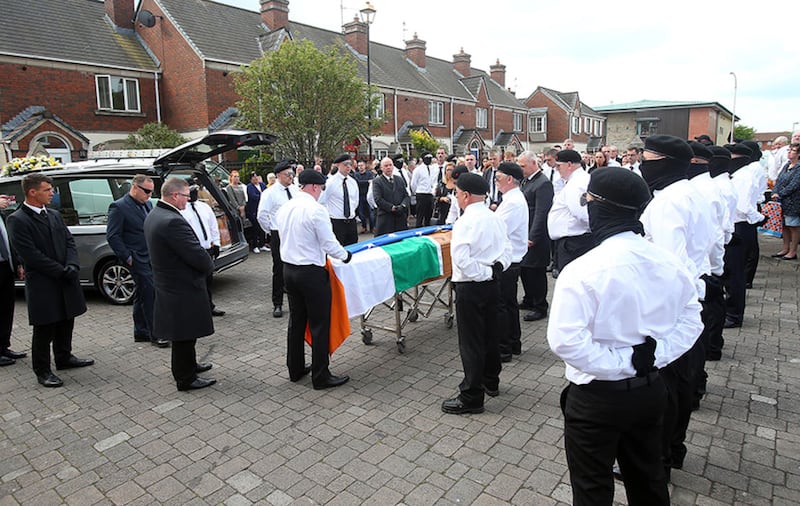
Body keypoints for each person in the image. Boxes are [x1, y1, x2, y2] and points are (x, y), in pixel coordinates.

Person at [548, 167, 702, 506]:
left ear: (600, 209)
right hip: (650, 388)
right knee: (648, 479)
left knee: (592, 488)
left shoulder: (582, 271)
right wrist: (651, 356)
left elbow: (565, 341)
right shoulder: (670, 263)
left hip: (597, 396)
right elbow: (692, 320)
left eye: (587, 201)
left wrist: (624, 361)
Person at [6, 173, 93, 387]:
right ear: (32, 192)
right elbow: (30, 254)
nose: (51, 193)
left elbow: (69, 241)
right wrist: (59, 271)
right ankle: (42, 370)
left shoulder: (53, 215)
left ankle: (64, 357)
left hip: (65, 276)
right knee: (45, 326)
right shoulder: (18, 219)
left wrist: (72, 265)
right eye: (47, 190)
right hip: (44, 281)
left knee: (66, 318)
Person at [275, 169, 353, 390]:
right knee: (319, 324)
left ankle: (295, 368)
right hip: (311, 273)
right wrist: (346, 256)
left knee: (296, 321)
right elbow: (329, 244)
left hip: (289, 270)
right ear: (315, 187)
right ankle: (321, 375)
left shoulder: (285, 207)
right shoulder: (316, 210)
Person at [443, 173, 511, 415]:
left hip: (472, 285)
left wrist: (484, 273)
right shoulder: (495, 218)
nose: (457, 197)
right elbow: (507, 250)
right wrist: (494, 270)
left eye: (458, 193)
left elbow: (461, 259)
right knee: (490, 334)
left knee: (471, 342)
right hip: (491, 282)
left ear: (466, 195)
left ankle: (472, 395)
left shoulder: (465, 222)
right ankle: (491, 379)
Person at [144, 177, 216, 392]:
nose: (188, 200)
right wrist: (208, 264)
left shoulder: (155, 214)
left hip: (169, 283)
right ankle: (185, 377)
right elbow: (197, 255)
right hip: (181, 285)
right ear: (175, 195)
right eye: (185, 195)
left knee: (186, 330)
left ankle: (190, 365)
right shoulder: (172, 221)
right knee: (184, 332)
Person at [106, 174, 168, 347]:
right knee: (150, 294)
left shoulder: (147, 204)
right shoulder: (118, 207)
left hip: (150, 256)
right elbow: (112, 235)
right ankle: (156, 333)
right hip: (136, 258)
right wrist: (127, 257)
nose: (149, 195)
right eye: (146, 191)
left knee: (142, 293)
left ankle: (140, 331)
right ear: (135, 187)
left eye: (151, 191)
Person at [493, 162, 529, 362]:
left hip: (508, 261)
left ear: (509, 179)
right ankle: (514, 343)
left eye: (498, 178)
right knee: (509, 304)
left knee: (502, 306)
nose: (496, 182)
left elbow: (499, 230)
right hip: (511, 259)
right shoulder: (511, 199)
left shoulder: (513, 201)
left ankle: (504, 348)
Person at [257, 159, 299, 318]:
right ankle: (277, 303)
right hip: (279, 234)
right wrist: (273, 230)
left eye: (292, 174)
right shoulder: (270, 193)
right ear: (279, 175)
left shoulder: (295, 190)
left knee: (296, 266)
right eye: (288, 174)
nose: (291, 177)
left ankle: (296, 301)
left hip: (295, 233)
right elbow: (262, 215)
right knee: (279, 269)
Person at [517, 151, 554, 322]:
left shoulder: (543, 183)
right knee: (525, 269)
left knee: (536, 272)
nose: (520, 169)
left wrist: (533, 236)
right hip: (525, 233)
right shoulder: (527, 181)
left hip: (536, 235)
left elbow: (541, 212)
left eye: (523, 166)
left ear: (533, 163)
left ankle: (540, 306)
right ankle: (529, 299)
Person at [180, 185, 225, 317]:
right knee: (194, 281)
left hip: (207, 248)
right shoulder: (181, 210)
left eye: (195, 192)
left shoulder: (204, 207)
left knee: (208, 280)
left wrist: (216, 243)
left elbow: (213, 225)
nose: (193, 195)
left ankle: (209, 306)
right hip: (193, 250)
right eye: (190, 192)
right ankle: (197, 308)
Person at [547, 149, 592, 275]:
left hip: (575, 242)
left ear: (569, 164)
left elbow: (582, 213)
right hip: (574, 240)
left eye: (559, 166)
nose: (557, 169)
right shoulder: (577, 180)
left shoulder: (577, 184)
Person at [0, 194, 25, 366]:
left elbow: (9, 241)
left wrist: (17, 263)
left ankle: (3, 347)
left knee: (6, 308)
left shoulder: (3, 215)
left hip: (5, 266)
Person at [320, 154, 359, 246]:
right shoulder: (330, 182)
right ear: (338, 165)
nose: (348, 166)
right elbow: (322, 200)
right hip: (337, 222)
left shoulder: (352, 182)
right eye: (345, 164)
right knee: (337, 249)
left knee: (353, 248)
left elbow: (355, 201)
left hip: (351, 221)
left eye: (350, 164)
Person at [771, 143, 800, 259]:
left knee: (793, 226)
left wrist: (780, 193)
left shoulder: (798, 168)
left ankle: (793, 251)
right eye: (789, 150)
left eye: (792, 151)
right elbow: (779, 180)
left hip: (793, 202)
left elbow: (794, 185)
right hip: (782, 202)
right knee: (784, 226)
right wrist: (775, 192)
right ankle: (785, 248)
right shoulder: (786, 165)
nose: (789, 152)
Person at [372, 157, 410, 235]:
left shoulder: (399, 179)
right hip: (385, 219)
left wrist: (403, 206)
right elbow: (378, 199)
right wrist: (392, 208)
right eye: (386, 166)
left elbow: (406, 195)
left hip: (400, 219)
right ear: (381, 168)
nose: (388, 167)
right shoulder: (377, 181)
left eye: (390, 165)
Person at [410, 151, 438, 227]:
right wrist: (417, 192)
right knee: (420, 216)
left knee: (428, 216)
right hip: (421, 194)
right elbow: (413, 184)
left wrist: (432, 190)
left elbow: (434, 181)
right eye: (427, 158)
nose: (429, 160)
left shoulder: (432, 169)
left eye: (430, 158)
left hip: (430, 194)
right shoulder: (418, 169)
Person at [245, 172, 268, 253]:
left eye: (256, 176)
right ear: (251, 179)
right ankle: (255, 246)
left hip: (261, 209)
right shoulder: (249, 187)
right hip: (253, 210)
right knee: (255, 227)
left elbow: (267, 193)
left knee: (262, 227)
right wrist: (263, 196)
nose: (256, 178)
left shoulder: (262, 185)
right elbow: (253, 196)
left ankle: (262, 244)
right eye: (254, 177)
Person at [353, 160, 375, 234]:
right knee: (361, 213)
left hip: (368, 195)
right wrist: (367, 182)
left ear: (365, 166)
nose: (360, 167)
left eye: (361, 165)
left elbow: (372, 181)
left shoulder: (369, 173)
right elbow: (358, 182)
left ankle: (372, 227)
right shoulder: (356, 174)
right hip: (360, 196)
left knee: (371, 213)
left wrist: (366, 182)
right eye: (359, 166)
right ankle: (364, 226)